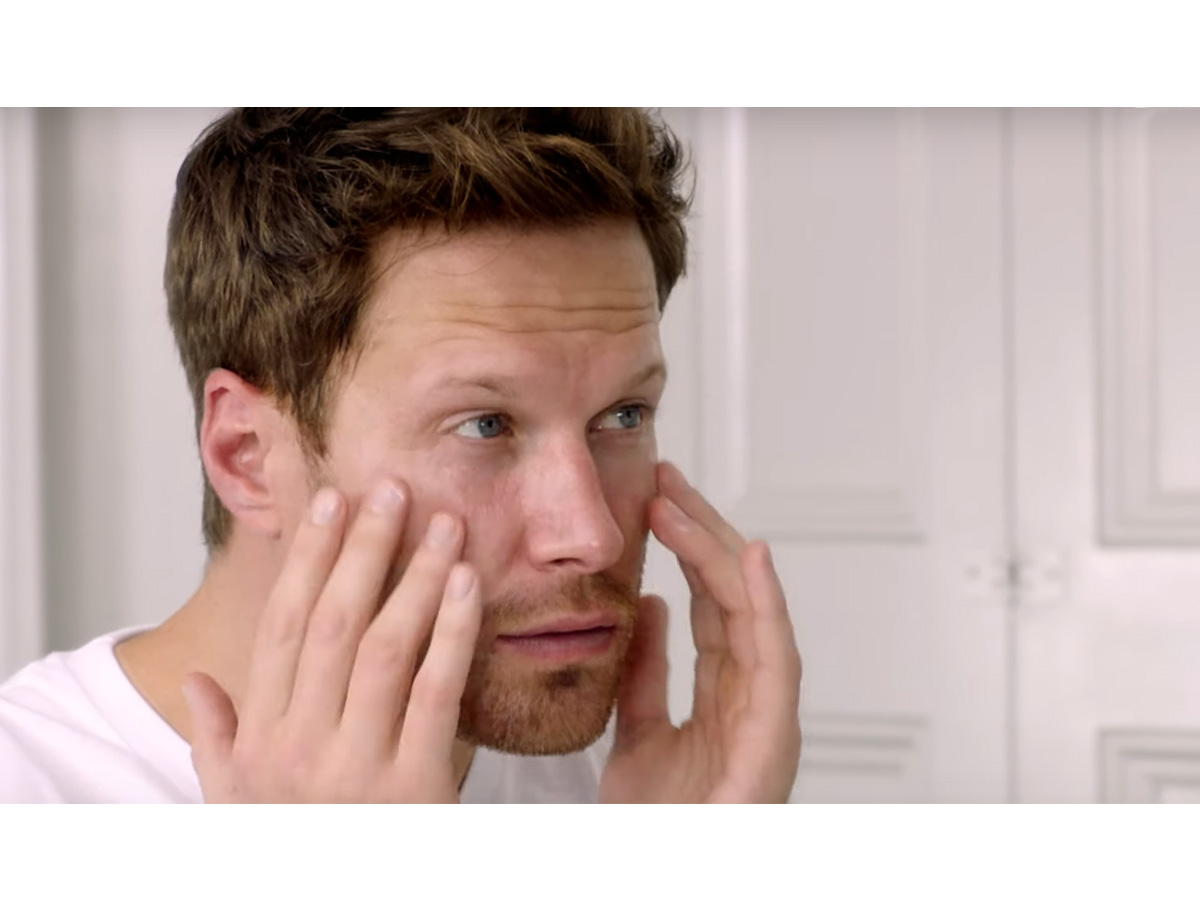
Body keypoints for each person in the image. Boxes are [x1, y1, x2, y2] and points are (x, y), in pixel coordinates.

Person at [0, 108, 802, 803]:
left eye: (622, 415)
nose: (592, 535)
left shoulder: (624, 779)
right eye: (484, 425)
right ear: (246, 455)